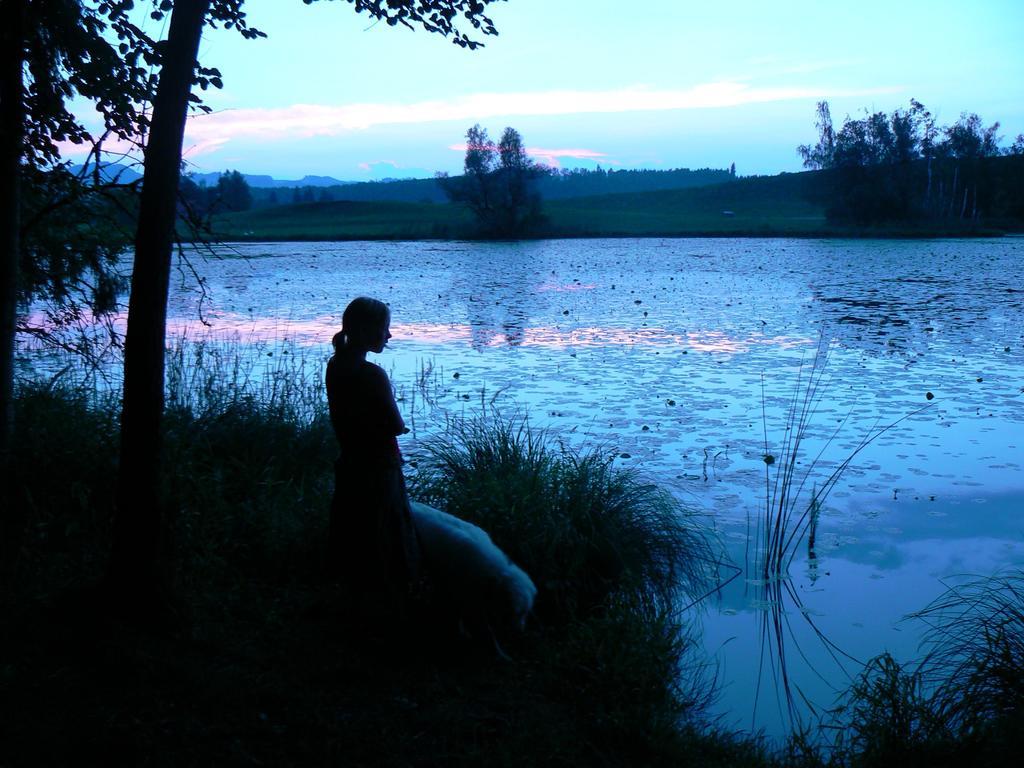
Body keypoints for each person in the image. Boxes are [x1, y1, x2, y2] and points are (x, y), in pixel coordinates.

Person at [326, 297, 420, 607]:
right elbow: (394, 424)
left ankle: (354, 595)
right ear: (365, 330)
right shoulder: (371, 374)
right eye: (384, 329)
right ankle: (390, 602)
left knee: (354, 531)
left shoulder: (336, 364)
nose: (389, 336)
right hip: (379, 465)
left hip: (350, 459)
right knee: (387, 534)